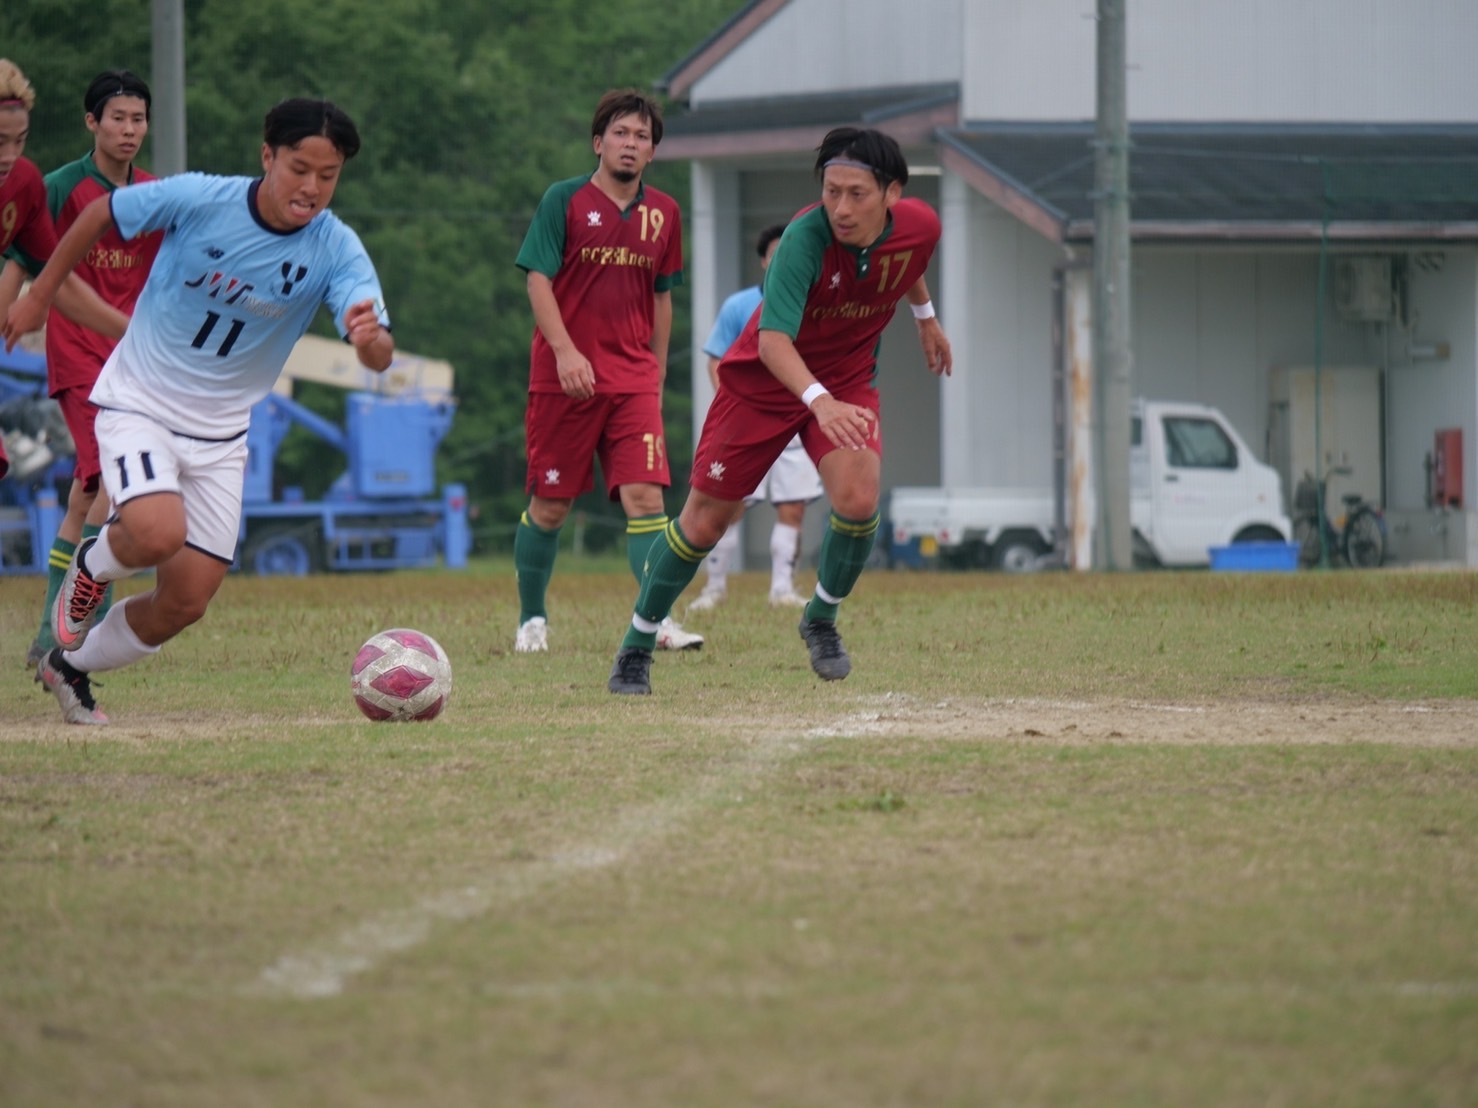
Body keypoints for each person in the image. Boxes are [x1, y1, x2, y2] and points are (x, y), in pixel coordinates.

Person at [2, 98, 393, 725]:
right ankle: (91, 567)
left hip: (221, 438)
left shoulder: (336, 248)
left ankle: (69, 666)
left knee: (186, 601)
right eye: (299, 169)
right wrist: (40, 294)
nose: (312, 188)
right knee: (157, 532)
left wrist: (371, 341)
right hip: (141, 404)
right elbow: (101, 212)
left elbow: (377, 352)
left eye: (329, 175)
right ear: (267, 156)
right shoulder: (202, 198)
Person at [609, 126, 952, 695]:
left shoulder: (921, 224)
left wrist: (926, 319)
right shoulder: (803, 240)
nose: (841, 208)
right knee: (703, 524)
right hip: (761, 385)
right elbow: (772, 344)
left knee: (859, 500)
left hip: (846, 378)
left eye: (857, 194)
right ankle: (637, 645)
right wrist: (819, 403)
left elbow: (906, 257)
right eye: (831, 191)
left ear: (893, 194)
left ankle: (820, 618)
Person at [511, 88, 702, 655]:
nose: (630, 143)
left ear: (653, 152)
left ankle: (656, 620)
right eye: (620, 133)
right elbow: (537, 281)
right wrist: (566, 352)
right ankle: (531, 620)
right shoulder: (563, 200)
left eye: (642, 136)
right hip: (562, 379)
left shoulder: (665, 213)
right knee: (552, 506)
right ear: (599, 142)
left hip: (634, 381)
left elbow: (662, 297)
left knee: (647, 500)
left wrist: (656, 373)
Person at [6, 70, 163, 669]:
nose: (129, 129)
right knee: (114, 480)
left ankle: (49, 631)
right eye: (117, 118)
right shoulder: (58, 187)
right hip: (78, 352)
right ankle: (83, 625)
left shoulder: (154, 193)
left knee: (88, 491)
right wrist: (16, 307)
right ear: (91, 122)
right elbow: (22, 257)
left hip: (135, 356)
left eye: (138, 119)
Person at [687, 223, 825, 613]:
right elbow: (716, 360)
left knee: (793, 506)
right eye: (776, 255)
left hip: (795, 419)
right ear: (765, 261)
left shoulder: (815, 303)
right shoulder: (739, 306)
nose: (783, 262)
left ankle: (782, 588)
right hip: (748, 420)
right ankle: (715, 587)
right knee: (729, 506)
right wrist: (733, 408)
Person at [0, 59, 131, 345]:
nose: (10, 156)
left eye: (20, 140)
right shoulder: (61, 185)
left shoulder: (25, 183)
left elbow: (61, 285)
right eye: (0, 142)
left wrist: (138, 337)